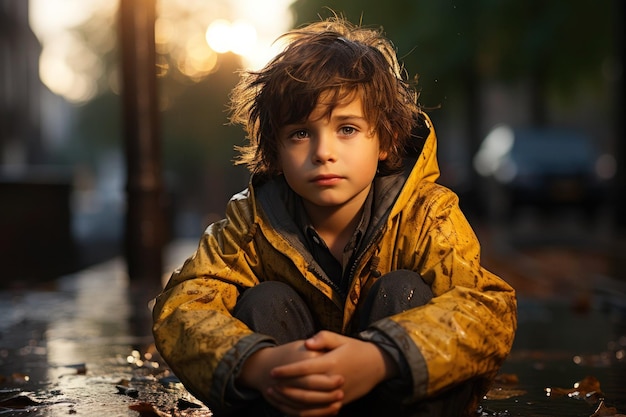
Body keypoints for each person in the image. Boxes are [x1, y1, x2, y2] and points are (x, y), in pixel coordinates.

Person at [152, 15, 517, 417]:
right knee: (265, 301)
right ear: (275, 150)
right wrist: (257, 363)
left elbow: (488, 311)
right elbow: (181, 308)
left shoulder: (427, 214)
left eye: (346, 129)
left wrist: (381, 356)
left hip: (399, 395)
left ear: (386, 139)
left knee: (402, 290)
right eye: (301, 134)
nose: (323, 152)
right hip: (295, 395)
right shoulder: (251, 222)